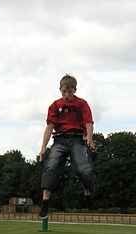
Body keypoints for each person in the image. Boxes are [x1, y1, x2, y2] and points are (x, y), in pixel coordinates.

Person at [39, 74, 95, 218]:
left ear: (75, 90)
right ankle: (45, 202)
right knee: (51, 166)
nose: (67, 95)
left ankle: (88, 191)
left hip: (77, 139)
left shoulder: (82, 104)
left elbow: (89, 122)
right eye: (64, 92)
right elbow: (49, 127)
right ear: (60, 90)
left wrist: (89, 138)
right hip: (60, 140)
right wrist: (43, 147)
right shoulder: (55, 105)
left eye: (70, 92)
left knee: (84, 168)